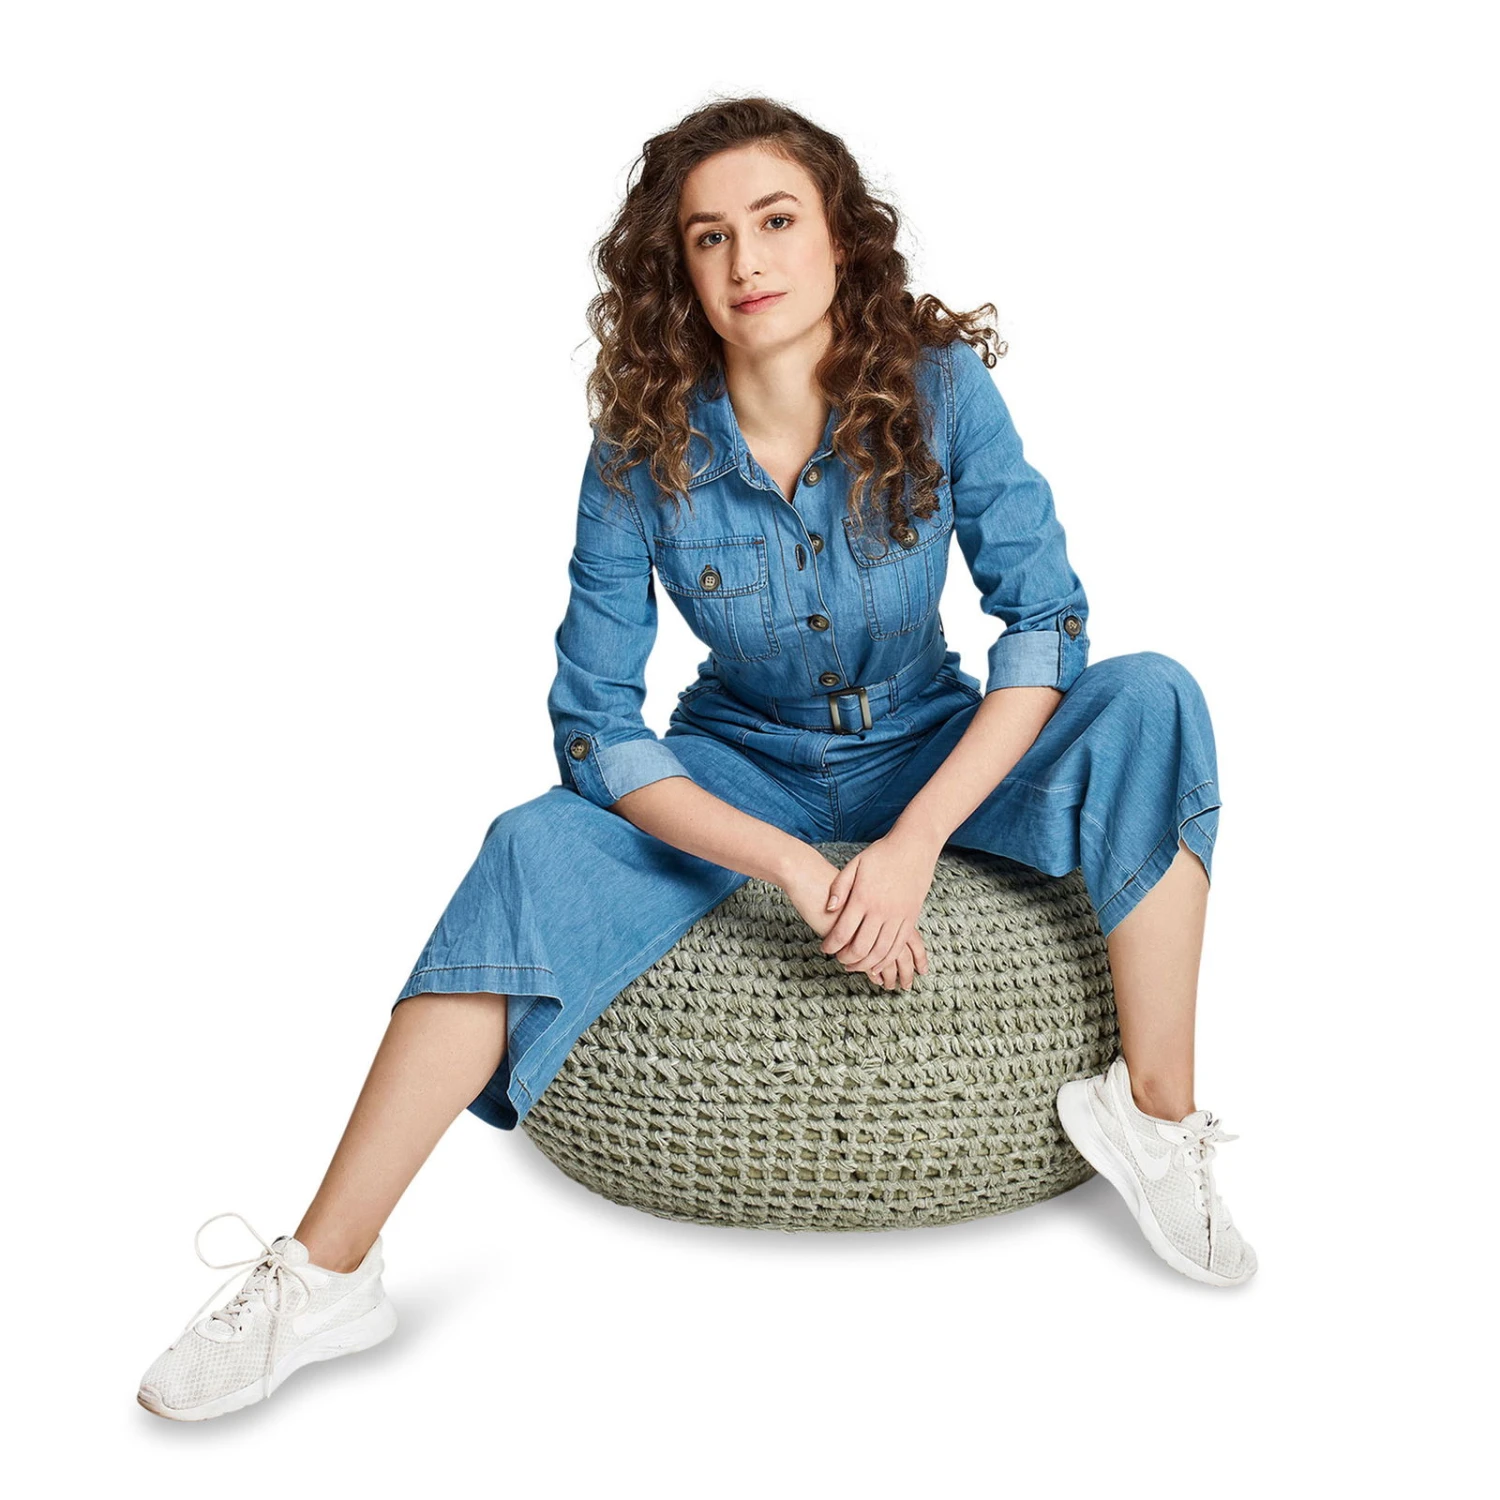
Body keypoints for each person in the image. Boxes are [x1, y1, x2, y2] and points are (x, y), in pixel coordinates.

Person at [136, 95, 1256, 1423]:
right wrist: (788, 862)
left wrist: (911, 845)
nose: (746, 261)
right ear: (680, 270)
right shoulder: (641, 442)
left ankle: (1158, 1120)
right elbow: (596, 724)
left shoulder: (942, 386)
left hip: (930, 737)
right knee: (526, 844)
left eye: (775, 221)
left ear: (840, 236)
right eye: (710, 237)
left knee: (1152, 697)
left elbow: (1045, 625)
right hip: (742, 762)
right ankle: (325, 1274)